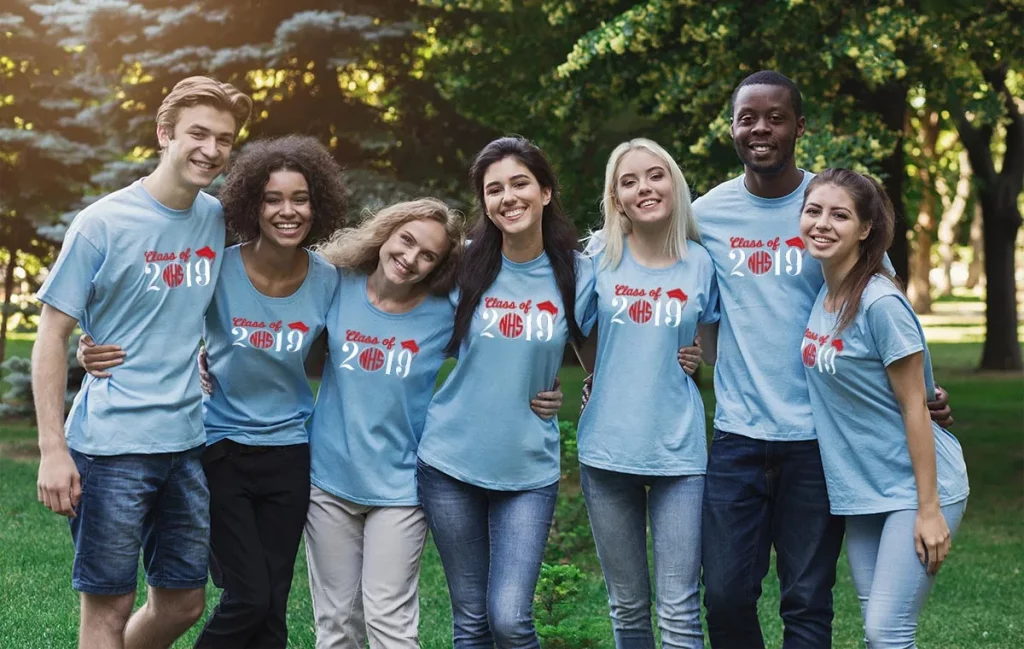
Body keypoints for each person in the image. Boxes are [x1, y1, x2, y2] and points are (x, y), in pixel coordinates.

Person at [693, 70, 954, 648]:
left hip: (818, 441)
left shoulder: (830, 205)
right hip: (736, 435)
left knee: (807, 601)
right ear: (732, 129)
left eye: (776, 117)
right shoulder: (706, 214)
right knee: (726, 596)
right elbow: (657, 276)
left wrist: (924, 394)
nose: (761, 128)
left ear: (799, 127)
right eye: (747, 118)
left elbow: (887, 314)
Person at [78, 135, 347, 648]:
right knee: (248, 595)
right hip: (219, 447)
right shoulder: (217, 267)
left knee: (273, 601)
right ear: (252, 205)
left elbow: (367, 341)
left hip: (290, 452)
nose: (287, 211)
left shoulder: (329, 280)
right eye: (273, 199)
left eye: (300, 198)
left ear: (318, 205)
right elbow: (155, 321)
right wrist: (86, 349)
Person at [32, 76, 252, 649]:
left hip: (184, 442)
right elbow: (50, 334)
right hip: (110, 446)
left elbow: (213, 302)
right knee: (110, 606)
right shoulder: (102, 223)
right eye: (197, 134)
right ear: (164, 134)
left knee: (183, 602)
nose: (210, 149)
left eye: (224, 139)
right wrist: (53, 451)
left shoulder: (214, 216)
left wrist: (202, 353)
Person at [415, 136, 592, 648]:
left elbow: (606, 351)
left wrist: (688, 351)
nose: (507, 198)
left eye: (520, 184)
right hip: (450, 463)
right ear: (485, 203)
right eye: (494, 190)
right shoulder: (463, 264)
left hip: (527, 469)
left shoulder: (579, 273)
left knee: (511, 618)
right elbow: (393, 308)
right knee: (470, 623)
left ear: (545, 192)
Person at [798, 169, 968, 648]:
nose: (823, 224)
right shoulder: (826, 291)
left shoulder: (879, 301)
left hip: (915, 489)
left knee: (887, 631)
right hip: (865, 489)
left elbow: (916, 406)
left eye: (840, 215)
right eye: (814, 211)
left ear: (866, 229)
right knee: (880, 632)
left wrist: (929, 509)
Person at [576, 138, 718, 648]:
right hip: (607, 449)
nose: (644, 188)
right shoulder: (597, 258)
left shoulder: (702, 262)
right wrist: (599, 371)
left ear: (674, 184)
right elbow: (573, 329)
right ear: (616, 199)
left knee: (680, 609)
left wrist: (697, 353)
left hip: (679, 451)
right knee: (628, 606)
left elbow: (715, 344)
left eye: (655, 175)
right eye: (629, 181)